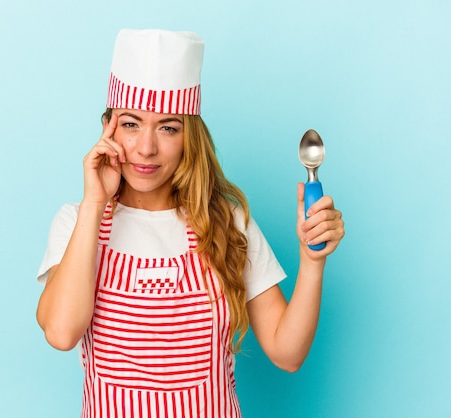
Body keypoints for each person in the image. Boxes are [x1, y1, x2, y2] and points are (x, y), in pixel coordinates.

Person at [36, 28, 345, 418]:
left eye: (168, 127)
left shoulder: (226, 221)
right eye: (131, 124)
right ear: (108, 129)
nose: (146, 147)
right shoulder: (77, 222)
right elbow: (62, 333)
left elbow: (288, 354)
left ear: (189, 137)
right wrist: (95, 202)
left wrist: (313, 262)